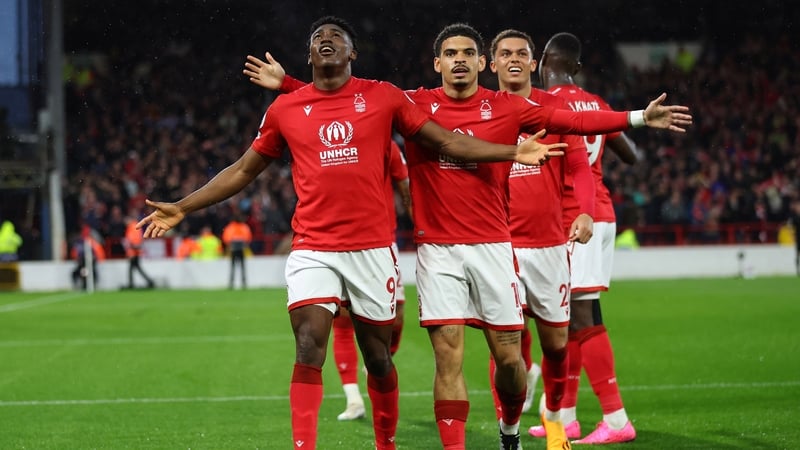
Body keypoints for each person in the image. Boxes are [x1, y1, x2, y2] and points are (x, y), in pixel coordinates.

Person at [246, 22, 689, 450]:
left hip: (499, 247)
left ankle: (521, 427)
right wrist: (289, 85)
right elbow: (342, 101)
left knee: (523, 356)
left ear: (482, 63)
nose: (459, 61)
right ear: (437, 63)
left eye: (467, 54)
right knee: (449, 356)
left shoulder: (511, 107)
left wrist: (636, 118)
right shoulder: (415, 102)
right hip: (437, 250)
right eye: (451, 54)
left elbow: (569, 123)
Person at [142, 15, 566, 450]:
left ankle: (386, 443)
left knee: (379, 357)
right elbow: (244, 169)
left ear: (352, 53)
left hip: (372, 249)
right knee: (309, 344)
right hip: (313, 247)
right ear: (309, 54)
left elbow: (448, 141)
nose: (326, 41)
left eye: (336, 37)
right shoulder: (285, 109)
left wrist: (516, 149)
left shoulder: (381, 97)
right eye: (317, 38)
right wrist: (183, 206)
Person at [486, 28, 597, 450]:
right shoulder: (479, 108)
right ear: (491, 64)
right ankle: (508, 429)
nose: (513, 59)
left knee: (555, 345)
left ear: (533, 63)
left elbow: (580, 168)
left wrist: (585, 210)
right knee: (505, 351)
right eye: (504, 53)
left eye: (522, 53)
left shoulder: (555, 108)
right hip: (497, 247)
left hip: (549, 246)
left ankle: (553, 418)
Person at [530, 32, 643, 445]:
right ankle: (566, 417)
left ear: (541, 62)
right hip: (595, 211)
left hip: (577, 218)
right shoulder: (596, 104)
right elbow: (632, 155)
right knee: (569, 317)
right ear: (577, 67)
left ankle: (615, 419)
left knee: (582, 316)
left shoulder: (546, 105)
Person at [332, 139, 411, 422]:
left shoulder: (383, 143)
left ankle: (379, 362)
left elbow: (404, 185)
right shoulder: (327, 142)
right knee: (341, 320)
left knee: (397, 316)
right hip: (337, 243)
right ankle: (353, 399)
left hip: (381, 242)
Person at [222, 214, 253, 289]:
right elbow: (248, 237)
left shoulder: (230, 227)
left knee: (233, 267)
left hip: (233, 248)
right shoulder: (244, 227)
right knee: (242, 267)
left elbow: (226, 238)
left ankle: (232, 283)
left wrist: (229, 244)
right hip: (241, 248)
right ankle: (243, 283)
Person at [71, 226, 106, 291]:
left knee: (90, 272)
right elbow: (75, 253)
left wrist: (97, 259)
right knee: (82, 272)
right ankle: (83, 285)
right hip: (82, 263)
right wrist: (77, 259)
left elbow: (98, 252)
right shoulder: (80, 243)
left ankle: (92, 284)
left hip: (91, 262)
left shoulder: (92, 242)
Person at [124, 217, 156, 289]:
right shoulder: (136, 226)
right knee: (136, 268)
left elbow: (132, 240)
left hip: (134, 252)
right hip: (136, 251)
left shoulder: (132, 227)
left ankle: (132, 284)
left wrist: (132, 250)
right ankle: (149, 282)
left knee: (133, 268)